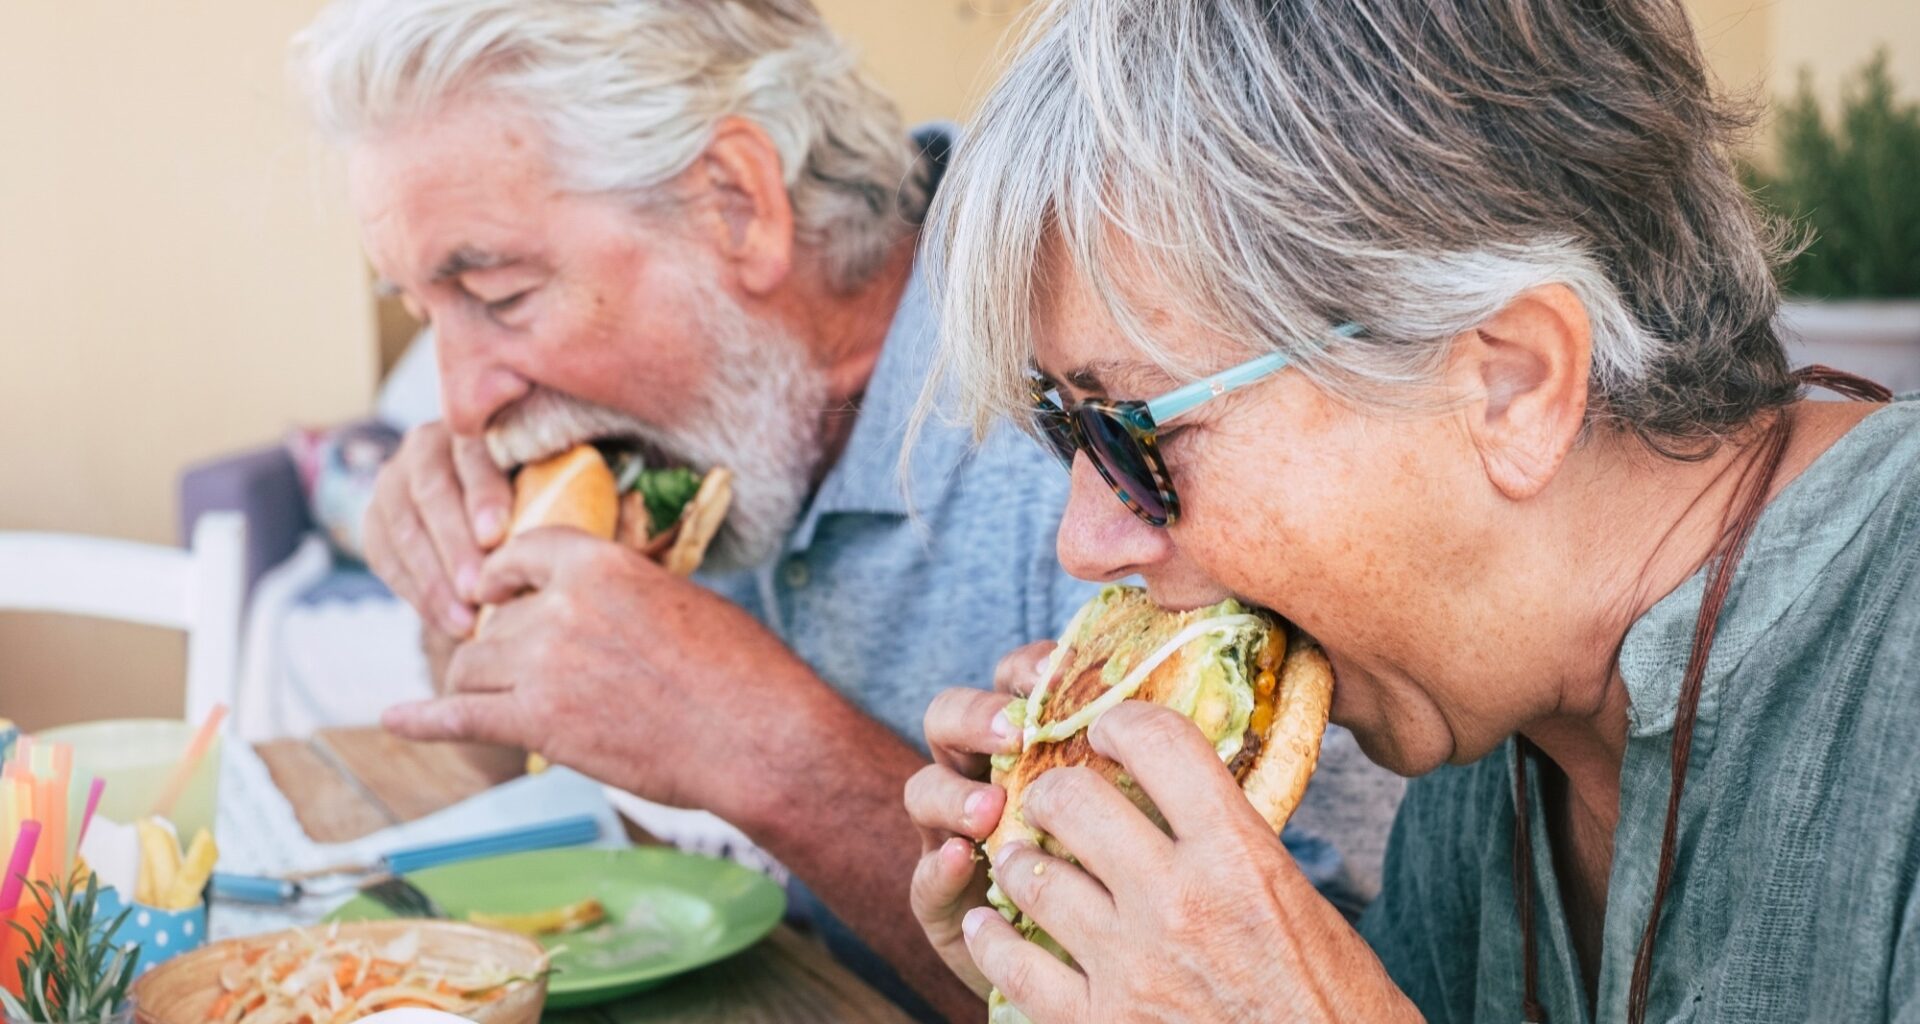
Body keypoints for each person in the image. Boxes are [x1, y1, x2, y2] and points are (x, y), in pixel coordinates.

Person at [293, 1, 1391, 1019]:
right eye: (424, 310)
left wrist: (760, 744)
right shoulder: (710, 416)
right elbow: (498, 769)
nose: (459, 399)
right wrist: (466, 602)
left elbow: (1288, 968)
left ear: (738, 202)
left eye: (497, 298)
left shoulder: (1125, 394)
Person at [903, 1, 1920, 1022]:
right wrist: (1061, 974)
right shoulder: (1484, 709)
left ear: (1512, 388)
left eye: (1134, 435)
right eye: (1065, 431)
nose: (1085, 542)